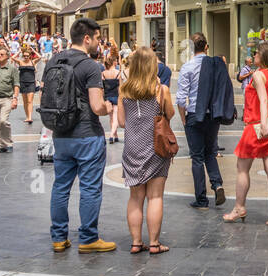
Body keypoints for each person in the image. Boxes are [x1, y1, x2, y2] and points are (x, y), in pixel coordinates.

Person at [47, 18, 115, 253]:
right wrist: (108, 106)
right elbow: (97, 106)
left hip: (61, 134)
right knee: (89, 188)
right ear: (87, 38)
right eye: (97, 38)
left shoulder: (53, 61)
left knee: (61, 187)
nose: (99, 42)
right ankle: (88, 238)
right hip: (87, 135)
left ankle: (58, 237)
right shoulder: (90, 66)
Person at [119, 46, 176, 254]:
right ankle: (154, 243)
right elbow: (169, 114)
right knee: (155, 197)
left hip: (132, 148)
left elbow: (122, 122)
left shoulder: (124, 90)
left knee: (135, 197)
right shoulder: (161, 90)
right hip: (156, 148)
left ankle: (136, 242)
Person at [224, 42, 268, 225]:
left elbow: (263, 99)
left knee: (242, 168)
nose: (254, 56)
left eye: (257, 53)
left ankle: (239, 207)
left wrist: (263, 124)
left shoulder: (259, 75)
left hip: (258, 126)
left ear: (264, 57)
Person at [174, 33, 232, 210]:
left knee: (197, 156)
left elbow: (181, 98)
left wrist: (184, 119)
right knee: (210, 151)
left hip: (194, 115)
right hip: (213, 116)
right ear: (206, 46)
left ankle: (201, 199)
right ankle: (217, 184)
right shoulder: (216, 65)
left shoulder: (187, 67)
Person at [101, 48, 122, 144]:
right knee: (116, 117)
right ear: (114, 62)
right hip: (116, 96)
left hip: (107, 96)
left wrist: (103, 98)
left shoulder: (103, 74)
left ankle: (115, 135)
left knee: (111, 118)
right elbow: (120, 87)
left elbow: (102, 87)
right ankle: (111, 135)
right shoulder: (118, 73)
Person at [17, 44, 40, 123]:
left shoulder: (33, 61)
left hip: (31, 83)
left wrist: (33, 50)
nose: (26, 57)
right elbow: (12, 57)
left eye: (27, 56)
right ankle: (27, 116)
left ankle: (30, 117)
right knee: (25, 101)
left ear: (30, 56)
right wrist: (20, 51)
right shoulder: (20, 62)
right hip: (22, 83)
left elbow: (40, 57)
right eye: (24, 56)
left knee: (30, 101)